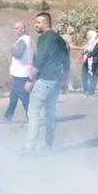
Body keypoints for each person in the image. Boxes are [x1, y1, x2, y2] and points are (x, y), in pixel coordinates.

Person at [23, 12, 70, 155]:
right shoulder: (59, 39)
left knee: (34, 112)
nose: (36, 25)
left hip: (44, 80)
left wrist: (30, 79)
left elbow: (40, 60)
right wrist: (65, 81)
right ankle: (48, 145)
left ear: (47, 24)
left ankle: (30, 148)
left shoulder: (44, 38)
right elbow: (66, 60)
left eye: (38, 22)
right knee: (50, 113)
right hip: (55, 81)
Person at [3, 21, 33, 123]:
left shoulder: (23, 41)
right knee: (14, 96)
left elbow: (18, 54)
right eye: (14, 28)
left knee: (24, 97)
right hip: (22, 72)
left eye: (16, 28)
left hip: (21, 73)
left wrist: (12, 48)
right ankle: (7, 117)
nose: (14, 30)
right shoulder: (27, 39)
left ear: (23, 29)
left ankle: (31, 119)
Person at [82, 30, 98, 96]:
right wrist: (84, 56)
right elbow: (85, 51)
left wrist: (87, 56)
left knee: (93, 76)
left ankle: (91, 91)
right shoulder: (88, 43)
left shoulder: (97, 43)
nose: (87, 36)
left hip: (93, 61)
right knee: (84, 74)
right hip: (86, 61)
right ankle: (86, 89)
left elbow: (94, 52)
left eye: (88, 35)